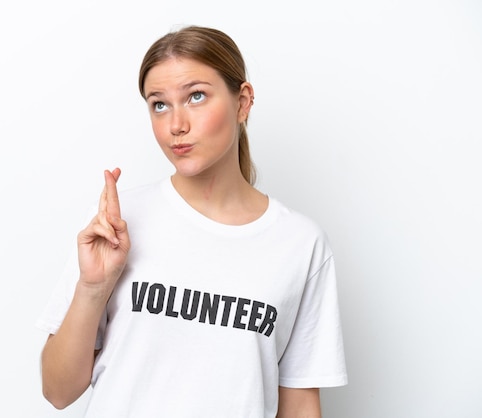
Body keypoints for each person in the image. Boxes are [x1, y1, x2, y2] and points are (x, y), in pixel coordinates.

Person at [36, 25, 347, 418]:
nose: (175, 125)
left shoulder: (300, 244)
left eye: (196, 97)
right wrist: (93, 288)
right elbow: (58, 391)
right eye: (159, 104)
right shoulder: (117, 224)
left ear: (243, 101)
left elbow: (300, 405)